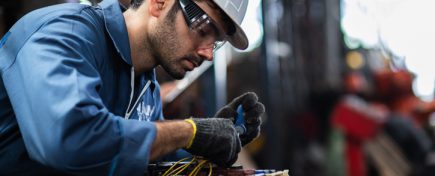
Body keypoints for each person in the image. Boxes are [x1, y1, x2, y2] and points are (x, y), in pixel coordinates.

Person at [0, 0, 265, 175]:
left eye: (216, 41)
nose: (209, 53)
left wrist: (211, 145)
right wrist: (189, 131)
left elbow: (143, 157)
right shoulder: (66, 34)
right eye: (204, 28)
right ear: (160, 3)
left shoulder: (145, 87)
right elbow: (71, 138)